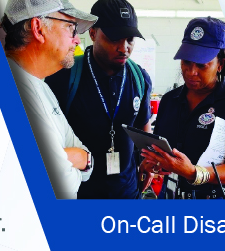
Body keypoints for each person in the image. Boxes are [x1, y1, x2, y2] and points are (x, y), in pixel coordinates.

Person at [139, 17, 225, 199]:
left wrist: (194, 173)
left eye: (202, 65)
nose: (191, 71)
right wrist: (152, 163)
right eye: (186, 62)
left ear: (221, 64)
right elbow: (164, 150)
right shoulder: (170, 100)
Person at [44, 0, 153, 199]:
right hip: (80, 193)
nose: (124, 48)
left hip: (127, 193)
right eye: (114, 38)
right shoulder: (63, 76)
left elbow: (143, 128)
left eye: (130, 39)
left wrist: (149, 162)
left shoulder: (139, 78)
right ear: (93, 33)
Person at [0, 0, 98, 199]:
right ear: (38, 29)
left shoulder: (42, 87)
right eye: (71, 27)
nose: (77, 40)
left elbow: (87, 159)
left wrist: (77, 158)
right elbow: (61, 185)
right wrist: (72, 159)